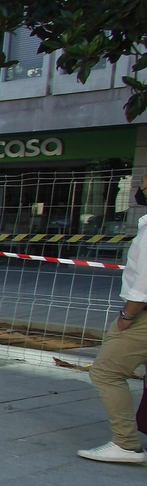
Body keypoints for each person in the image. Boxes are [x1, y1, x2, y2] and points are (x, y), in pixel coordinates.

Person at [81, 181, 147, 463]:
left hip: (141, 316)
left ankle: (126, 444)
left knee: (105, 372)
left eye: (145, 182)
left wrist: (127, 315)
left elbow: (144, 283)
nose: (139, 186)